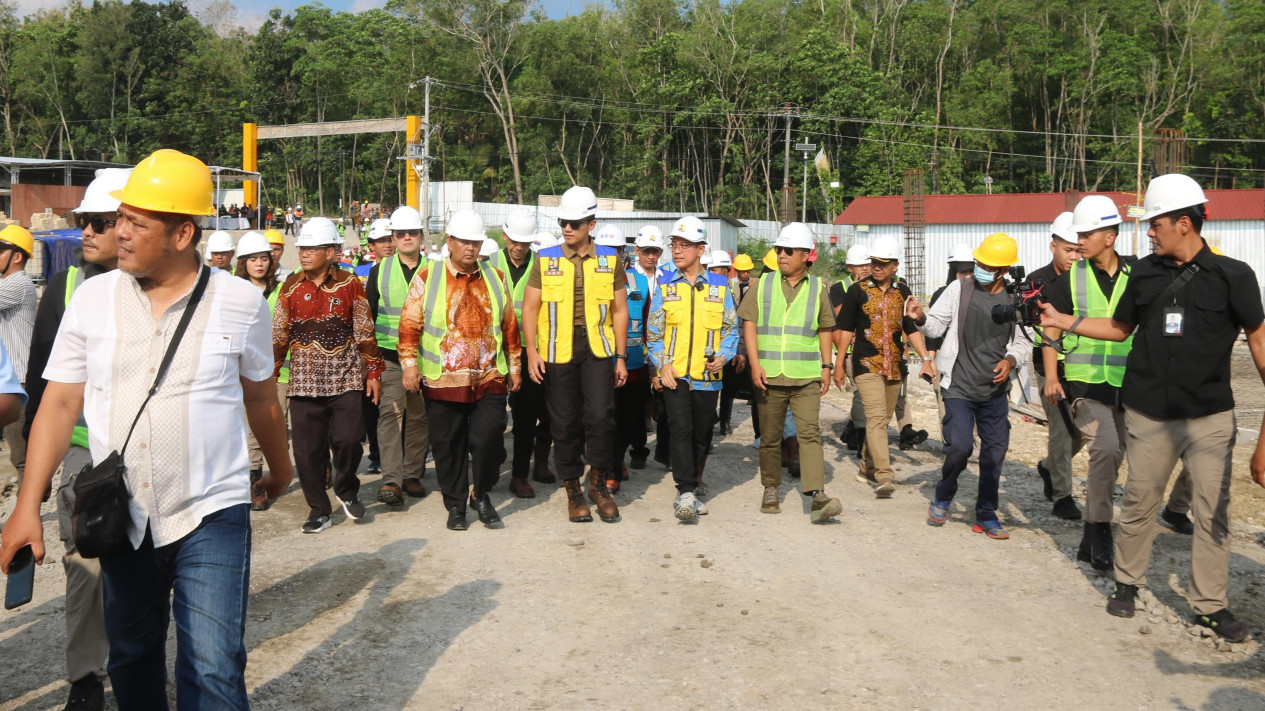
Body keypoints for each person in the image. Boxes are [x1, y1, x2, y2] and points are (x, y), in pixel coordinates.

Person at [0, 149, 292, 709]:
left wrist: (281, 470)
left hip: (212, 509)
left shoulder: (240, 302)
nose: (121, 233)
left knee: (214, 667)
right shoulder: (92, 300)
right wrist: (26, 505)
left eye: (136, 222)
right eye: (120, 219)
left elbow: (260, 397)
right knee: (132, 657)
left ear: (183, 234)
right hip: (124, 513)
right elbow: (59, 403)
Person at [1038, 174, 1265, 642]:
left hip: (1210, 416)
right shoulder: (1144, 274)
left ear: (1184, 223)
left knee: (1212, 510)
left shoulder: (1234, 276)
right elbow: (1120, 328)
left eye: (1155, 223)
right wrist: (1065, 320)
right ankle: (1127, 582)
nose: (1149, 232)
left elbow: (1260, 343)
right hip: (1148, 414)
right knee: (1141, 501)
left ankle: (1210, 605)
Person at [21, 167, 129, 711]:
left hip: (150, 443)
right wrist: (34, 467)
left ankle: (137, 661)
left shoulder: (171, 286)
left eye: (98, 221)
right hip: (86, 445)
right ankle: (87, 676)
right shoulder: (65, 287)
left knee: (147, 561)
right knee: (84, 557)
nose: (85, 231)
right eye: (83, 220)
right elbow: (42, 380)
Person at [398, 210, 522, 530]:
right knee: (448, 445)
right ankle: (455, 504)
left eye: (475, 242)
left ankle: (481, 494)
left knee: (488, 438)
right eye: (464, 241)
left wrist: (515, 366)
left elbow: (509, 325)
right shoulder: (428, 277)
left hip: (489, 376)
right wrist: (409, 367)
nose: (470, 247)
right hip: (442, 380)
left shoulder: (495, 277)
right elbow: (409, 326)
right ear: (450, 242)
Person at [1037, 196, 1136, 569]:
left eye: (1086, 234)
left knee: (1116, 455)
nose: (1079, 242)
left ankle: (1088, 536)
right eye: (1077, 235)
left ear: (1109, 237)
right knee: (1106, 448)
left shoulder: (1137, 275)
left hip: (1127, 384)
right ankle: (1100, 530)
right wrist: (1051, 376)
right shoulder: (1071, 279)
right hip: (1085, 384)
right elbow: (1050, 327)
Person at [520, 185, 628, 524]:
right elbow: (529, 308)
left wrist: (621, 357)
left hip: (597, 349)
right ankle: (573, 491)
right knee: (564, 423)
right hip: (557, 350)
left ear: (591, 225)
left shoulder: (611, 259)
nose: (567, 228)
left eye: (575, 223)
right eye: (563, 222)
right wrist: (532, 351)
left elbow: (620, 311)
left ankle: (598, 484)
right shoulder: (545, 258)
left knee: (601, 418)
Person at [273, 216, 384, 534]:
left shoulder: (350, 284)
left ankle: (346, 489)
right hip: (304, 382)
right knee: (307, 452)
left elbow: (364, 330)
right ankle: (319, 510)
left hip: (345, 378)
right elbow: (279, 334)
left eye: (312, 248)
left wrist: (374, 371)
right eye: (302, 248)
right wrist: (272, 373)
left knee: (349, 439)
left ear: (331, 252)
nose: (304, 253)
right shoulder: (291, 286)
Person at [921, 233, 1030, 540]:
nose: (980, 268)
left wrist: (1010, 360)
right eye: (979, 262)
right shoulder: (960, 289)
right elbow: (936, 325)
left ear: (1004, 270)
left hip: (994, 392)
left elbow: (1025, 341)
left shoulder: (1015, 298)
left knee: (994, 454)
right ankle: (943, 494)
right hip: (959, 386)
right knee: (959, 447)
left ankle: (986, 514)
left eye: (988, 265)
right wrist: (920, 318)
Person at [740, 223, 841, 523]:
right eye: (778, 250)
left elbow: (825, 329)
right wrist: (755, 364)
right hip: (769, 375)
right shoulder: (762, 284)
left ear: (805, 256)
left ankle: (817, 495)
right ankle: (771, 488)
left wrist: (827, 366)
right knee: (770, 437)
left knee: (809, 434)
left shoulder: (818, 289)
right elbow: (749, 324)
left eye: (787, 250)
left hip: (805, 377)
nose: (781, 255)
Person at [648, 218, 737, 521]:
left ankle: (693, 484)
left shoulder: (720, 286)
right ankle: (685, 491)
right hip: (675, 374)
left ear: (700, 250)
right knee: (680, 428)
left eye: (684, 245)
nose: (677, 250)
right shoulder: (665, 285)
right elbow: (654, 333)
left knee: (701, 432)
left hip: (708, 376)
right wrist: (662, 365)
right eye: (674, 245)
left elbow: (730, 329)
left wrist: (722, 357)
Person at [833, 235, 933, 499]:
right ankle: (884, 474)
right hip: (866, 363)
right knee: (876, 418)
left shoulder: (903, 292)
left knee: (883, 420)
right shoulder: (857, 290)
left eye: (882, 263)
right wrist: (839, 363)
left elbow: (911, 328)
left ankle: (866, 467)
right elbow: (845, 328)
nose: (876, 267)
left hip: (895, 366)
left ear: (895, 266)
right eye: (873, 262)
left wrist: (926, 360)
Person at [367, 206, 430, 505]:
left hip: (425, 358)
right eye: (401, 233)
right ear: (392, 237)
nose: (407, 238)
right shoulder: (379, 271)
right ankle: (392, 481)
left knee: (419, 417)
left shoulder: (436, 270)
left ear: (421, 236)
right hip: (390, 356)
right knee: (390, 416)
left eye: (412, 233)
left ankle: (412, 474)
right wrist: (370, 361)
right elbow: (368, 317)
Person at [491, 207, 555, 497]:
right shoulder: (488, 264)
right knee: (490, 415)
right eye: (514, 240)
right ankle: (493, 461)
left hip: (531, 350)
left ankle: (522, 473)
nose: (518, 247)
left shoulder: (543, 265)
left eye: (525, 242)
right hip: (495, 349)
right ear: (505, 236)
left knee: (529, 415)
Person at [1028, 211, 1084, 519]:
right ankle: (1063, 496)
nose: (1074, 256)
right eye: (1068, 250)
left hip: (1083, 367)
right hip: (1049, 369)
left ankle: (1049, 466)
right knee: (1061, 431)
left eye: (1078, 250)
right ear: (1054, 247)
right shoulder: (1036, 282)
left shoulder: (1088, 280)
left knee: (1083, 432)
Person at [604, 226, 650, 493]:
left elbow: (647, 323)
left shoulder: (639, 282)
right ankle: (608, 466)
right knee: (600, 419)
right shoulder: (586, 278)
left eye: (616, 250)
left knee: (625, 418)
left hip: (631, 364)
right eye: (607, 249)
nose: (612, 255)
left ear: (624, 252)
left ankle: (616, 461)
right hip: (598, 362)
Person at [0, 224, 36, 482]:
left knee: (21, 456)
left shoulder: (18, 284)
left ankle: (29, 503)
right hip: (8, 382)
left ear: (17, 256)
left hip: (17, 383)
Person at [718, 252, 755, 437]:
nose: (745, 274)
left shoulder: (753, 285)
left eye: (748, 271)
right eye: (742, 271)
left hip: (737, 334)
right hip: (722, 337)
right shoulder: (730, 286)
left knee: (728, 385)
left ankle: (725, 420)